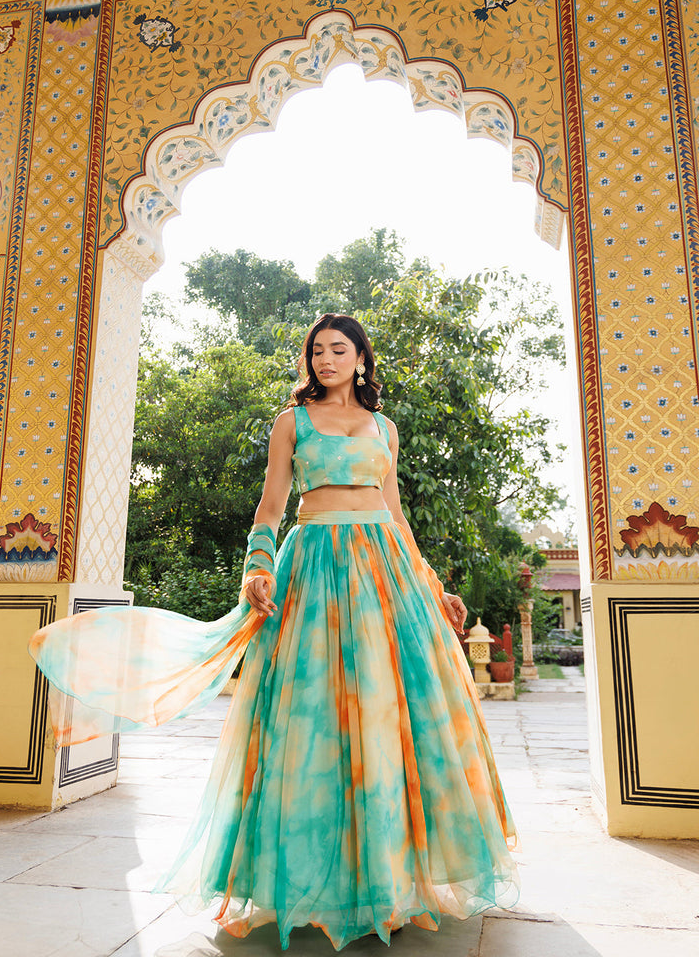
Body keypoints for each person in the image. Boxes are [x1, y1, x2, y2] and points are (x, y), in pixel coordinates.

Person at [30, 313, 519, 951]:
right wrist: (258, 567)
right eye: (317, 351)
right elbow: (271, 506)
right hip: (312, 564)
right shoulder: (291, 423)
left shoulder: (385, 429)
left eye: (339, 350)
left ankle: (392, 877)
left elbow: (396, 515)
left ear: (362, 359)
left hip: (384, 572)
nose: (326, 359)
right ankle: (311, 879)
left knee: (388, 714)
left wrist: (431, 585)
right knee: (309, 718)